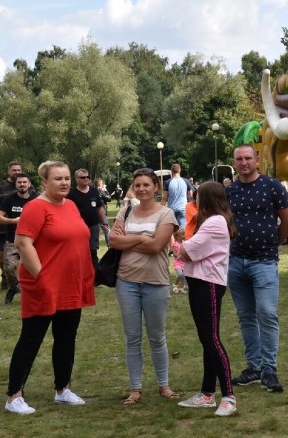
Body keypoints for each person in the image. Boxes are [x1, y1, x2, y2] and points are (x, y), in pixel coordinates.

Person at [5, 161, 96, 415]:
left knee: (66, 338)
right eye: (58, 179)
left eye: (67, 178)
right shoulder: (36, 207)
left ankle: (63, 389)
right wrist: (42, 278)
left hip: (70, 284)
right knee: (31, 339)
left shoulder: (72, 205)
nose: (64, 183)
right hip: (43, 285)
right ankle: (14, 396)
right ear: (44, 182)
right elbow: (23, 244)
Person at [226, 144, 288, 393]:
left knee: (266, 313)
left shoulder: (272, 186)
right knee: (246, 317)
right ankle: (253, 367)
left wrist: (275, 242)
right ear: (234, 162)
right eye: (239, 159)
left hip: (264, 261)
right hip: (235, 262)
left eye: (248, 158)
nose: (244, 162)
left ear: (257, 160)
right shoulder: (230, 191)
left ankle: (269, 369)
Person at [109, 168, 181, 406]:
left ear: (156, 188)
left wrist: (131, 241)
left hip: (156, 283)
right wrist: (142, 238)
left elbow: (157, 246)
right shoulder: (125, 210)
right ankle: (135, 388)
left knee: (157, 337)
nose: (141, 189)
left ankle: (164, 385)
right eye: (137, 185)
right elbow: (113, 241)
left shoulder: (167, 214)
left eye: (146, 185)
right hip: (126, 281)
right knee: (132, 338)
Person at [174, 181, 238, 416]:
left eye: (197, 197)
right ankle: (207, 393)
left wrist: (177, 243)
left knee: (211, 339)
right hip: (201, 282)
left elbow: (187, 252)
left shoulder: (214, 223)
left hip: (209, 284)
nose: (194, 200)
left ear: (207, 199)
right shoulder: (213, 221)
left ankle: (229, 396)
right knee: (206, 339)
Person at [0, 161, 35, 289]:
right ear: (8, 172)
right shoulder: (1, 189)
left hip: (29, 235)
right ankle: (9, 279)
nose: (17, 173)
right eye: (14, 170)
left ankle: (23, 286)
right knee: (3, 258)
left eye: (18, 170)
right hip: (6, 231)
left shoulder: (33, 195)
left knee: (27, 262)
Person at [0, 173, 37, 304]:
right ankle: (13, 288)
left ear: (29, 184)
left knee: (34, 269)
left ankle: (33, 293)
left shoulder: (36, 200)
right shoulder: (9, 199)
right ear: (16, 185)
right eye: (19, 182)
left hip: (32, 241)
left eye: (25, 182)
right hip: (12, 240)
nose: (22, 184)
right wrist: (13, 221)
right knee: (9, 268)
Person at [67, 168, 109, 268]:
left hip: (93, 227)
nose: (86, 179)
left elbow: (100, 208)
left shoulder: (94, 191)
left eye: (88, 177)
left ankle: (94, 277)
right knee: (78, 252)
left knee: (93, 251)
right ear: (76, 179)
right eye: (83, 177)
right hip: (77, 228)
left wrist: (105, 223)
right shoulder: (71, 194)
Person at [163, 163, 189, 228]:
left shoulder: (167, 182)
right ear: (180, 170)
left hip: (171, 209)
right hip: (183, 208)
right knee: (183, 229)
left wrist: (161, 209)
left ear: (171, 171)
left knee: (172, 229)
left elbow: (164, 198)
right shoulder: (186, 181)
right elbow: (191, 196)